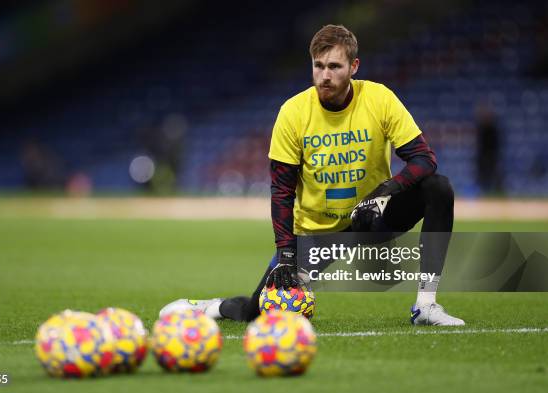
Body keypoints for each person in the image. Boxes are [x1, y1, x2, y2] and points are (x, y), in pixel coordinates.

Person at [160, 25, 464, 326]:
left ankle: (425, 305)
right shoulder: (293, 113)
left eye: (334, 66)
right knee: (257, 313)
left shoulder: (379, 99)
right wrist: (287, 255)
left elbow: (424, 160)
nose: (325, 75)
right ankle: (214, 308)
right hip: (318, 233)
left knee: (438, 188)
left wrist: (383, 193)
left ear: (354, 66)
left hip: (371, 220)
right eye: (318, 66)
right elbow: (281, 191)